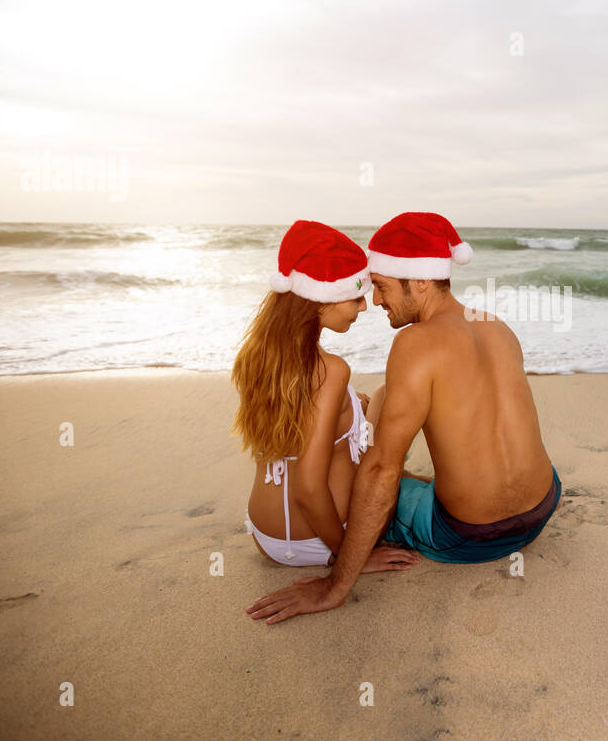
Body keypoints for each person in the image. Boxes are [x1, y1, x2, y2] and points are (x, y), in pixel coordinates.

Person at [248, 212, 561, 624]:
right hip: (543, 506)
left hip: (468, 538)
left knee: (373, 483)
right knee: (386, 405)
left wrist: (336, 584)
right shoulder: (494, 325)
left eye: (380, 287)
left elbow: (381, 472)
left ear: (420, 281)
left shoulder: (414, 343)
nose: (376, 301)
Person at [232, 220, 418, 580]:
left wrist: (347, 408)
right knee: (386, 401)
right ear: (322, 300)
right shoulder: (331, 370)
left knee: (370, 402)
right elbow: (309, 489)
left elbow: (300, 418)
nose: (364, 307)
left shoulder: (256, 357)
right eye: (355, 297)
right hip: (325, 539)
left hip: (266, 536)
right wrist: (350, 555)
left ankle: (360, 418)